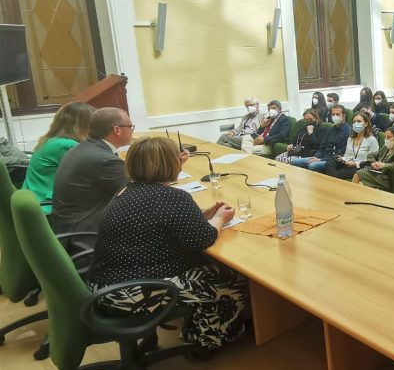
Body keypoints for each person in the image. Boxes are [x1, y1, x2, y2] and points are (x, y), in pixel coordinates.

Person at [88, 136, 247, 350]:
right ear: (170, 164)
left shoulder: (124, 191)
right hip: (131, 293)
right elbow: (204, 239)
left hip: (103, 287)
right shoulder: (173, 197)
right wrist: (220, 218)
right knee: (230, 279)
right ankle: (207, 340)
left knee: (203, 267)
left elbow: (153, 217)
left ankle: (194, 328)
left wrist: (202, 214)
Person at [51, 107, 134, 236]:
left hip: (70, 229)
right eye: (130, 127)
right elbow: (139, 196)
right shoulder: (104, 160)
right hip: (87, 236)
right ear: (117, 130)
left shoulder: (83, 148)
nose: (132, 132)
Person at [22, 101, 94, 214]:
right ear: (83, 125)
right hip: (50, 209)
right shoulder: (66, 145)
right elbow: (93, 175)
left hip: (36, 203)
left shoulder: (50, 141)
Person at [352, 126, 394, 192]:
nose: (386, 139)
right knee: (357, 174)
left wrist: (383, 165)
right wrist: (373, 163)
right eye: (385, 137)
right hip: (378, 172)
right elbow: (371, 155)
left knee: (361, 182)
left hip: (389, 178)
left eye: (389, 137)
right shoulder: (387, 146)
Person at [297, 104, 351, 173]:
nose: (335, 116)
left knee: (312, 165)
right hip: (321, 157)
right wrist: (316, 157)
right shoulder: (331, 129)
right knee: (295, 162)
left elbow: (341, 154)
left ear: (344, 116)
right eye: (333, 114)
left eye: (337, 114)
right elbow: (322, 147)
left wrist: (320, 160)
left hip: (333, 160)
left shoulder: (348, 132)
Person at [327, 111, 378, 180]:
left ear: (366, 124)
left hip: (360, 167)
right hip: (347, 163)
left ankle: (333, 180)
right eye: (354, 122)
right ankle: (334, 179)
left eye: (359, 121)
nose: (356, 123)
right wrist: (342, 159)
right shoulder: (350, 139)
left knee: (339, 172)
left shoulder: (372, 140)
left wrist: (355, 164)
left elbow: (372, 161)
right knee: (329, 162)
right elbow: (347, 156)